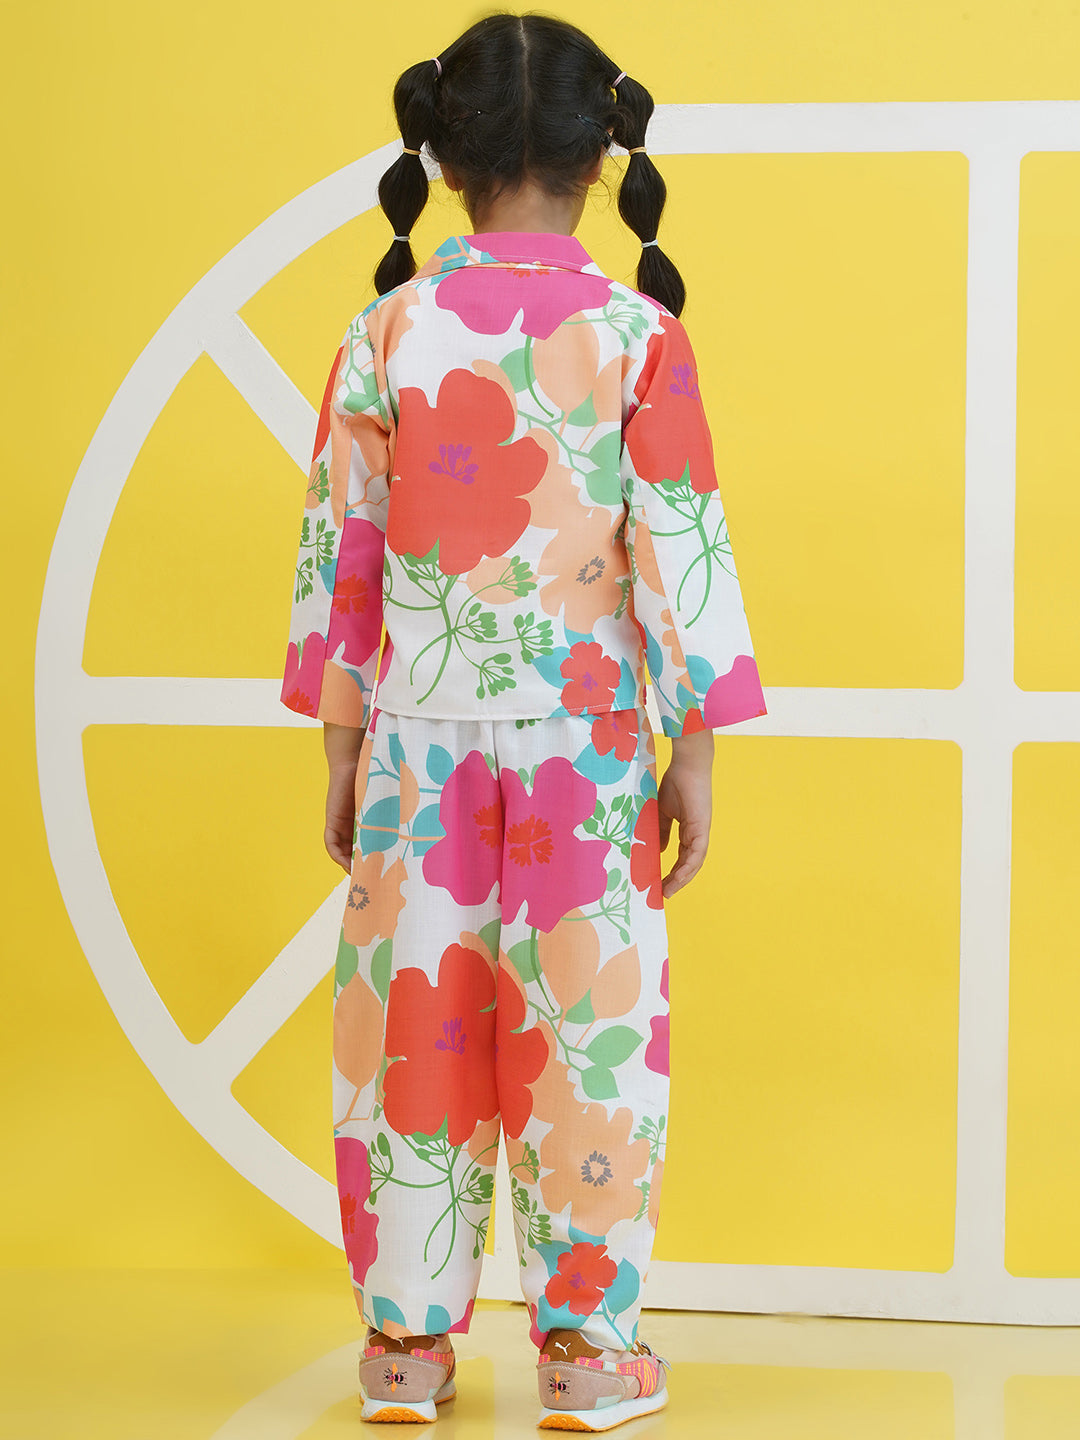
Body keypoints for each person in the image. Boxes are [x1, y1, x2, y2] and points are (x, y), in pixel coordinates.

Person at [279, 11, 768, 1429]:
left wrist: (342, 744)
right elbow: (680, 545)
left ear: (443, 157)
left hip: (417, 745)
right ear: (601, 157)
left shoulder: (387, 331)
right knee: (590, 1039)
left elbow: (344, 553)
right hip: (589, 750)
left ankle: (405, 1352)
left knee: (410, 1038)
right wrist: (694, 751)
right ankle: (589, 1356)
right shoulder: (639, 336)